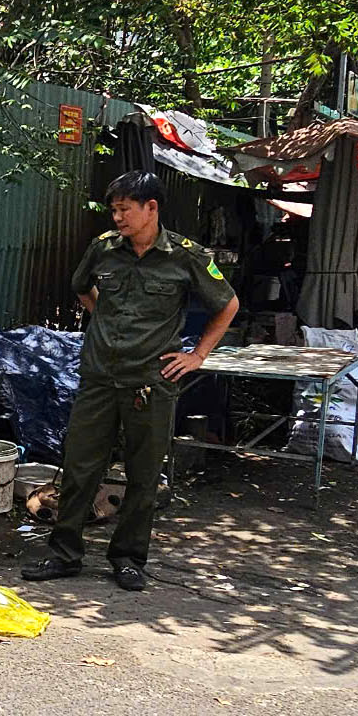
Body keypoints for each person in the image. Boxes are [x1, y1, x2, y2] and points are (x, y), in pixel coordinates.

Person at [25, 171, 240, 592]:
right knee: (80, 466)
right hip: (100, 376)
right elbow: (81, 288)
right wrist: (104, 320)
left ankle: (127, 558)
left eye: (125, 209)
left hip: (151, 381)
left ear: (151, 208)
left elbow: (228, 304)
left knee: (143, 474)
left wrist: (197, 356)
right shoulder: (103, 249)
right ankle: (65, 553)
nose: (118, 217)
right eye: (114, 210)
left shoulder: (186, 255)